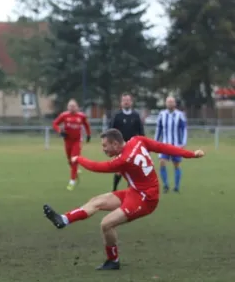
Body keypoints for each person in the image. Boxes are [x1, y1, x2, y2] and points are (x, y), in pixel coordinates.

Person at [43, 128, 204, 270]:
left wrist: (78, 159)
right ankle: (63, 219)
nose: (103, 149)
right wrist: (191, 154)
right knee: (96, 201)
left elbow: (97, 167)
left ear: (115, 144)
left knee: (106, 224)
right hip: (134, 191)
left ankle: (113, 260)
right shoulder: (138, 140)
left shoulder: (123, 160)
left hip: (145, 199)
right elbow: (163, 147)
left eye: (105, 146)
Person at [52, 99, 91, 190]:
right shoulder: (64, 115)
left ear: (77, 107)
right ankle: (75, 170)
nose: (72, 108)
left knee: (74, 160)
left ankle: (72, 181)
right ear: (67, 107)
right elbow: (55, 124)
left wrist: (88, 134)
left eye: (74, 106)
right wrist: (60, 131)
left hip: (77, 141)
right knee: (70, 160)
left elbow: (86, 125)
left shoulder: (81, 116)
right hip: (67, 141)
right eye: (70, 106)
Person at [109, 93, 145, 191]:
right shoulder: (117, 116)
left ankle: (131, 189)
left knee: (132, 168)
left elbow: (141, 132)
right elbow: (111, 130)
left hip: (133, 146)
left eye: (128, 100)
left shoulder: (136, 115)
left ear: (131, 102)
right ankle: (114, 189)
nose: (126, 102)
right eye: (124, 100)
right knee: (120, 169)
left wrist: (143, 145)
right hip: (120, 146)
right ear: (121, 103)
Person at [155, 96, 188, 193]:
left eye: (172, 102)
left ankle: (176, 187)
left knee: (176, 165)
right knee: (162, 163)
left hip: (176, 145)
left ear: (175, 103)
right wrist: (155, 142)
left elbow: (184, 129)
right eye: (168, 102)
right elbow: (159, 129)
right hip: (164, 144)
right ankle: (165, 185)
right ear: (166, 103)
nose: (170, 103)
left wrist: (183, 142)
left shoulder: (180, 115)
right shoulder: (162, 114)